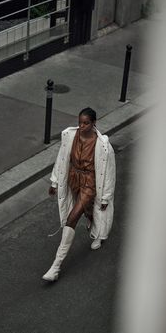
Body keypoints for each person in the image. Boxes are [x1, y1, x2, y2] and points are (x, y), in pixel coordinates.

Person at [42, 107, 116, 282]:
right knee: (87, 210)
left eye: (86, 123)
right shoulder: (70, 136)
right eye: (80, 122)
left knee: (72, 217)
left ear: (94, 123)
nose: (82, 126)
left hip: (90, 183)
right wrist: (54, 181)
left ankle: (56, 266)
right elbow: (62, 158)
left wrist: (105, 197)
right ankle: (94, 226)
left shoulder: (104, 146)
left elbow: (110, 172)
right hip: (73, 178)